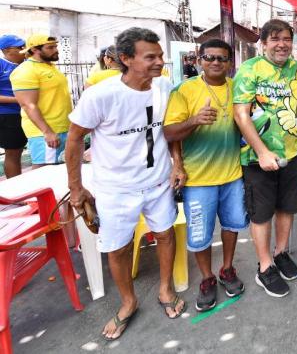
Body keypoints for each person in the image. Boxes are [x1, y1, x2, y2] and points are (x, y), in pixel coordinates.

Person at [66, 27, 186, 341]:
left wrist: (177, 163)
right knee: (118, 248)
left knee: (165, 234)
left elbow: (169, 130)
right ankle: (128, 302)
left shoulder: (164, 86)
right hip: (115, 189)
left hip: (158, 182)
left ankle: (164, 289)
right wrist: (76, 188)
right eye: (151, 57)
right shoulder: (100, 95)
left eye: (160, 55)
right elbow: (75, 140)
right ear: (125, 59)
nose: (160, 62)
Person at [163, 39, 247, 312]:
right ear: (199, 60)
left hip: (232, 175)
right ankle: (207, 278)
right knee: (200, 235)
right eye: (209, 57)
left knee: (232, 225)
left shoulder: (238, 88)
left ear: (229, 62)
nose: (215, 62)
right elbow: (169, 133)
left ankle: (226, 269)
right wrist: (193, 121)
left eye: (221, 58)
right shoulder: (184, 90)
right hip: (198, 179)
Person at [233, 19, 297, 298]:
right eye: (275, 39)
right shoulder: (249, 69)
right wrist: (263, 152)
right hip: (258, 158)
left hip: (293, 155)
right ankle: (264, 266)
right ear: (263, 42)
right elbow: (241, 114)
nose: (281, 44)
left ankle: (281, 254)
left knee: (287, 207)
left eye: (286, 39)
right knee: (262, 214)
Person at [11, 34, 72, 168]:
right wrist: (47, 132)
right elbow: (28, 105)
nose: (56, 50)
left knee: (59, 170)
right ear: (34, 50)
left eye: (55, 46)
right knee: (43, 172)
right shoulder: (26, 71)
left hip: (61, 127)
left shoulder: (48, 66)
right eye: (50, 47)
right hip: (44, 131)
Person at [0, 35, 27, 177]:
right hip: (7, 114)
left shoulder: (25, 63)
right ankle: (16, 190)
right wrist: (18, 99)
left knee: (18, 150)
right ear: (7, 50)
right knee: (13, 152)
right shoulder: (1, 64)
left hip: (23, 112)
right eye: (20, 48)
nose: (24, 50)